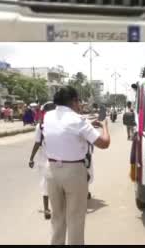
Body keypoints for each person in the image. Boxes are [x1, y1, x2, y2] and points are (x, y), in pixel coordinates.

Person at [43, 86, 110, 245]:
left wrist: (86, 122)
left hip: (52, 171)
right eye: (79, 101)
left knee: (57, 218)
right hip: (73, 172)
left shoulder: (48, 116)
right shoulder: (77, 120)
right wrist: (104, 126)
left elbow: (66, 126)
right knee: (75, 218)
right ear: (73, 101)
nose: (80, 104)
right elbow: (104, 143)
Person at [29, 102, 58, 220]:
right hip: (61, 159)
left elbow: (37, 143)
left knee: (46, 183)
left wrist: (31, 158)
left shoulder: (41, 126)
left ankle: (47, 208)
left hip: (45, 159)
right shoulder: (61, 124)